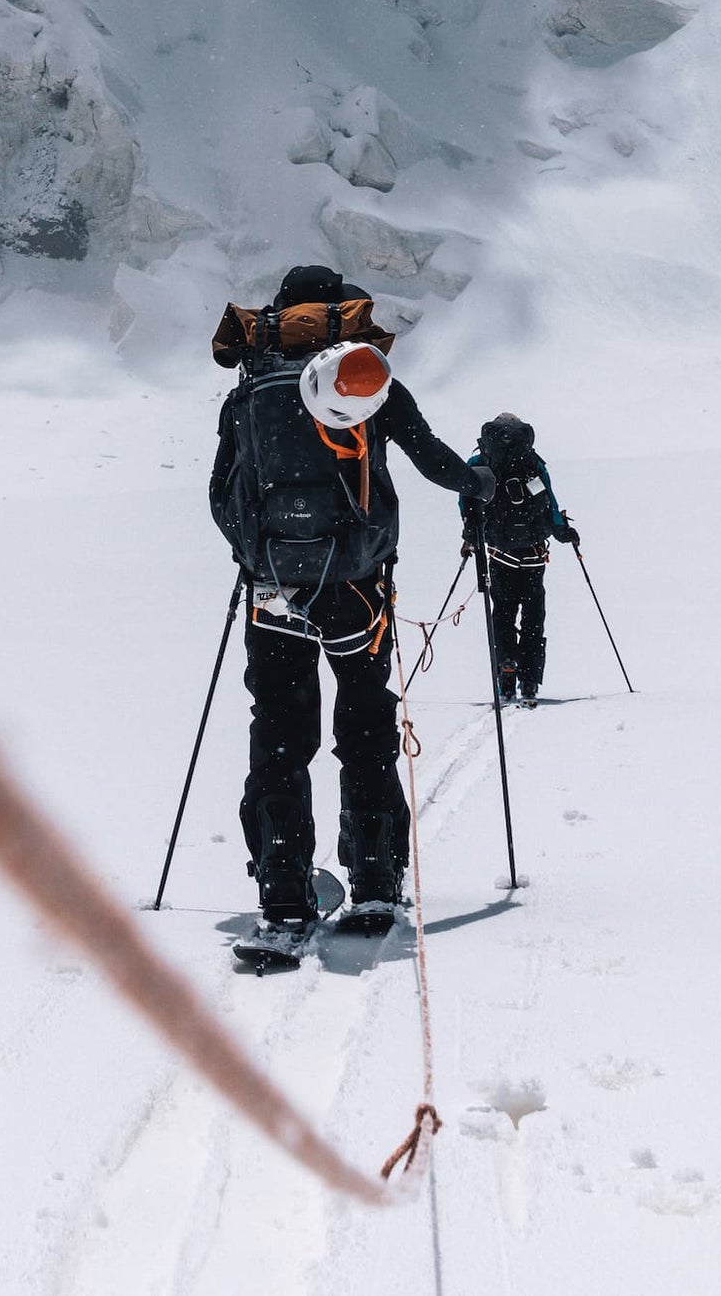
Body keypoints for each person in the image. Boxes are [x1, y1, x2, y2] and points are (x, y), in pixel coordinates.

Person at [204, 264, 479, 959]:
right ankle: (377, 878)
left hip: (273, 591)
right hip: (357, 588)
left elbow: (219, 495)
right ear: (340, 314)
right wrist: (480, 482)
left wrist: (256, 558)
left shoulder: (249, 391)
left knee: (278, 735)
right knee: (363, 721)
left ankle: (285, 893)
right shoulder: (365, 379)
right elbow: (433, 460)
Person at [464, 413, 579, 707]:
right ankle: (529, 679)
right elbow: (550, 504)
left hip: (499, 554)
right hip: (533, 555)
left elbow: (467, 502)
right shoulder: (533, 464)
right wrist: (564, 533)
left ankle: (506, 669)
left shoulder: (480, 464)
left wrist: (471, 536)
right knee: (533, 616)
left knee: (502, 612)